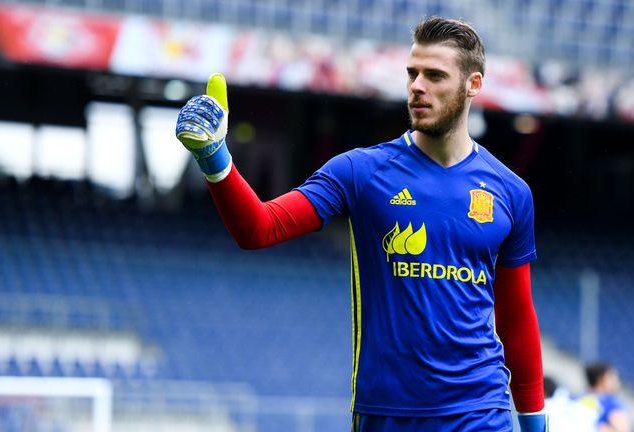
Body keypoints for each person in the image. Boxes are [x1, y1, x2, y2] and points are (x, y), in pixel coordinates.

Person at [175, 16, 548, 432]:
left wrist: (534, 421)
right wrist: (215, 159)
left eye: (435, 75)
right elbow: (259, 228)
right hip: (388, 415)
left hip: (482, 413)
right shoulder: (360, 171)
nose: (417, 86)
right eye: (412, 73)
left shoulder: (511, 192)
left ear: (472, 85)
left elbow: (516, 317)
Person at [579, 362, 631, 432]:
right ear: (602, 379)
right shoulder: (610, 403)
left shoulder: (578, 398)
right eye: (613, 377)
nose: (617, 381)